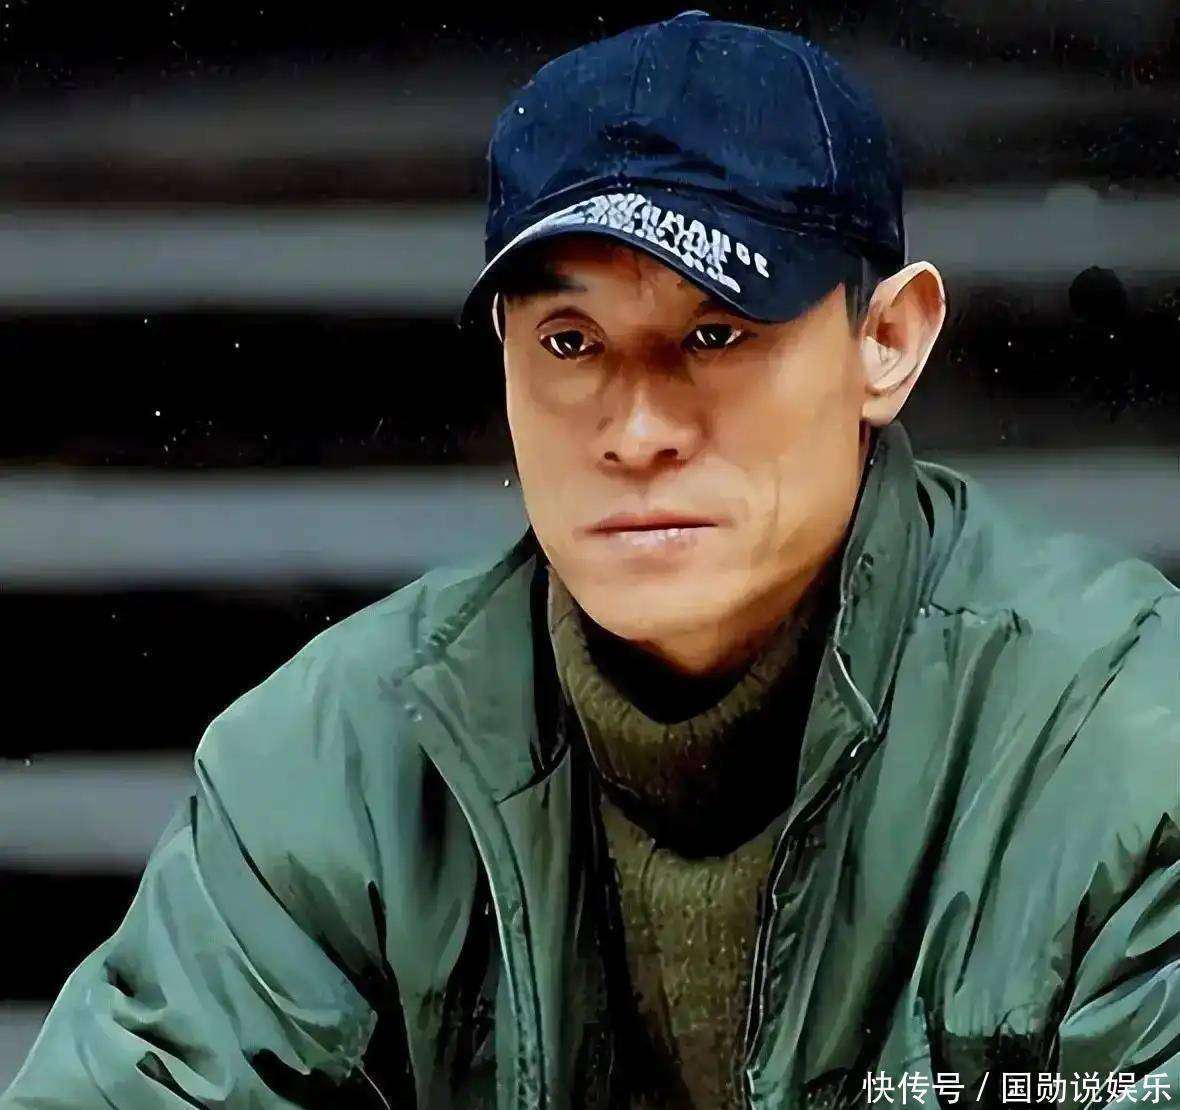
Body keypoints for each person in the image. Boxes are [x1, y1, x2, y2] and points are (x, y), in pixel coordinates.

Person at [4, 11, 1178, 1110]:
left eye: (714, 332)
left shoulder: (1115, 752)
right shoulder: (337, 768)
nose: (635, 430)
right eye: (570, 342)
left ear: (886, 341)